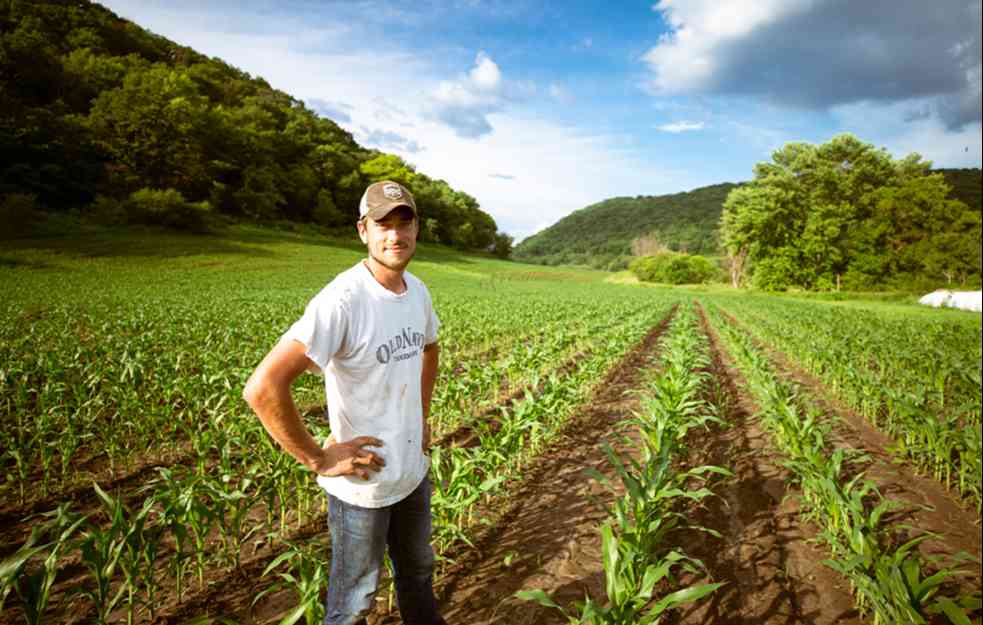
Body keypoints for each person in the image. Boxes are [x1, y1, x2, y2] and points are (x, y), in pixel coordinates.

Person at [243, 180, 447, 625]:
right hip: (363, 487)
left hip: (411, 472)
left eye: (403, 223)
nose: (395, 235)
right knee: (355, 603)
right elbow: (262, 388)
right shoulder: (343, 301)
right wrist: (317, 458)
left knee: (418, 574)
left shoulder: (418, 292)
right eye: (383, 225)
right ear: (363, 231)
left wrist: (421, 414)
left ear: (417, 229)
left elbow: (430, 347)